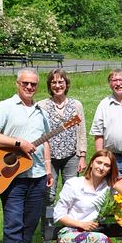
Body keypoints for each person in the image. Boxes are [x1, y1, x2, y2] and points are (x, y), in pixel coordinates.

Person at [0, 68, 53, 243]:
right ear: (17, 83)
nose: (30, 87)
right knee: (13, 222)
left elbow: (45, 143)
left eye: (34, 84)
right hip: (11, 176)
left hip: (38, 174)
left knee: (30, 221)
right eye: (26, 83)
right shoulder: (4, 107)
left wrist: (49, 169)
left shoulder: (41, 112)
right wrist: (18, 143)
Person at [53, 149, 122, 243]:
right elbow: (58, 215)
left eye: (107, 165)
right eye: (99, 162)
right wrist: (81, 224)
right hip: (68, 238)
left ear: (110, 169)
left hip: (92, 241)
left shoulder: (109, 189)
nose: (101, 167)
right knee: (102, 239)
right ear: (91, 163)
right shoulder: (74, 184)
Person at [38, 69, 87, 202]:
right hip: (49, 157)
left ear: (66, 84)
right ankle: (47, 223)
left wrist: (82, 156)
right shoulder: (42, 105)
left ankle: (68, 222)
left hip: (71, 156)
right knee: (48, 194)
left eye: (61, 82)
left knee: (71, 193)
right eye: (53, 82)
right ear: (49, 85)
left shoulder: (76, 105)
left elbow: (81, 131)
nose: (57, 85)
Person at [89, 69, 122, 174]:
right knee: (114, 189)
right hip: (113, 159)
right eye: (114, 80)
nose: (118, 84)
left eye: (121, 80)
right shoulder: (104, 104)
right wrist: (101, 158)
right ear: (109, 84)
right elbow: (98, 134)